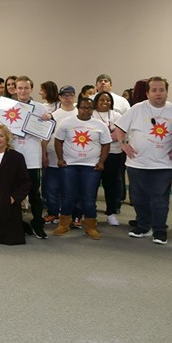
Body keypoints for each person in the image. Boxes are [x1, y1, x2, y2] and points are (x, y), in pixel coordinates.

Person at [114, 76, 172, 245]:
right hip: (137, 163)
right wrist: (123, 144)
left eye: (161, 90)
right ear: (147, 93)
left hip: (162, 165)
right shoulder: (137, 109)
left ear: (166, 92)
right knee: (139, 198)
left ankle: (159, 230)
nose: (158, 93)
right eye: (154, 90)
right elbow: (119, 128)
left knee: (160, 200)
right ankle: (144, 226)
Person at [53, 97, 111, 240]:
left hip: (91, 166)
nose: (87, 111)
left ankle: (91, 226)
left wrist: (101, 162)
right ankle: (64, 224)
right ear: (78, 108)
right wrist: (60, 158)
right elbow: (58, 141)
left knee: (89, 197)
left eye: (90, 108)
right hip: (69, 165)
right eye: (84, 108)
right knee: (68, 195)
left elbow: (106, 144)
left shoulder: (100, 125)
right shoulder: (66, 123)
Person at [11, 76, 48, 237]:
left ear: (31, 89)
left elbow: (49, 130)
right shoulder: (9, 107)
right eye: (20, 88)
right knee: (13, 192)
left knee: (34, 194)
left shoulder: (40, 108)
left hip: (32, 156)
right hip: (14, 156)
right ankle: (15, 222)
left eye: (26, 88)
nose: (23, 91)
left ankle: (37, 223)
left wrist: (49, 119)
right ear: (15, 89)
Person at [43, 85, 78, 226]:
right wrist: (44, 154)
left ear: (74, 96)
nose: (67, 98)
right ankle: (53, 213)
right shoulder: (53, 116)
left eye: (70, 95)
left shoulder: (80, 113)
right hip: (53, 158)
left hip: (73, 159)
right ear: (59, 97)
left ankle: (70, 215)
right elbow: (45, 137)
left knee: (70, 189)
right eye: (64, 95)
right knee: (51, 188)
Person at [93, 91, 126, 225]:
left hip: (114, 154)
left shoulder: (116, 115)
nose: (105, 102)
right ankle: (91, 213)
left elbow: (121, 133)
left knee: (111, 184)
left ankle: (111, 212)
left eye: (108, 100)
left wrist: (106, 137)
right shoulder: (92, 114)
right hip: (95, 154)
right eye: (102, 100)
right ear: (96, 102)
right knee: (93, 184)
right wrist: (109, 136)